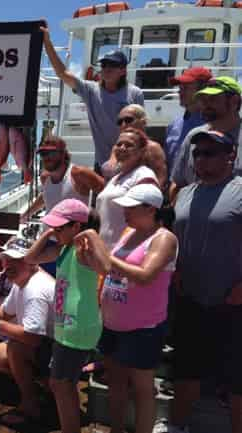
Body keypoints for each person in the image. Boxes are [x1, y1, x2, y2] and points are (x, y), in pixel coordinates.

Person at [156, 130, 242, 433]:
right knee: (186, 371)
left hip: (233, 304)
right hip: (190, 299)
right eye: (197, 153)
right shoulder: (185, 193)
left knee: (236, 380)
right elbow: (174, 240)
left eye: (210, 153)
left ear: (230, 156)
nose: (201, 159)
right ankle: (177, 426)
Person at [90, 184, 178, 433]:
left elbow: (145, 275)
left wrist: (106, 256)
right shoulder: (129, 232)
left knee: (142, 389)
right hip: (112, 324)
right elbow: (110, 269)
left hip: (143, 328)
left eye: (130, 207)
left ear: (150, 209)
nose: (124, 211)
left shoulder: (164, 238)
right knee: (116, 383)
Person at [23, 199, 109, 433]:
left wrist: (90, 235)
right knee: (63, 383)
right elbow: (30, 258)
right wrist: (50, 231)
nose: (56, 232)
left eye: (61, 228)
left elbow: (106, 268)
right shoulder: (64, 249)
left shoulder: (84, 251)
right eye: (55, 228)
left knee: (60, 383)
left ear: (77, 227)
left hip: (77, 328)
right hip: (66, 327)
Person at [0, 237, 56, 424]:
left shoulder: (36, 290)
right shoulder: (22, 282)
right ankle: (40, 387)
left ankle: (31, 405)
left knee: (14, 349)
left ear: (33, 262)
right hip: (46, 346)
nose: (8, 264)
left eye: (16, 260)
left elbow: (33, 338)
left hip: (58, 352)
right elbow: (5, 311)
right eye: (6, 259)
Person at [41, 24, 144, 172]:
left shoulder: (135, 94)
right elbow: (62, 73)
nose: (106, 69)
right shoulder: (91, 90)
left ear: (123, 71)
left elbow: (139, 133)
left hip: (129, 166)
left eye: (112, 65)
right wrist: (47, 42)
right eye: (104, 65)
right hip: (102, 165)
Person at [170, 76, 242, 201]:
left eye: (213, 99)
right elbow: (177, 184)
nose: (205, 104)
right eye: (203, 99)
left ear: (234, 101)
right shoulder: (193, 137)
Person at [96, 128, 158, 249]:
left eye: (129, 145)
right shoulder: (115, 179)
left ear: (142, 151)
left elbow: (147, 220)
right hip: (105, 252)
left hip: (125, 251)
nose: (122, 148)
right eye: (119, 144)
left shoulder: (144, 175)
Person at [20, 136, 105, 222]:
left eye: (52, 153)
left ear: (63, 154)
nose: (47, 157)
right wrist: (26, 215)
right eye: (43, 153)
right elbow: (47, 196)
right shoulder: (45, 178)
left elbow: (108, 192)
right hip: (47, 232)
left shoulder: (79, 174)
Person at [102, 104, 168, 189]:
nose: (123, 124)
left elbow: (161, 178)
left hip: (138, 196)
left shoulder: (152, 147)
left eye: (128, 120)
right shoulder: (117, 147)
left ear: (143, 122)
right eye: (120, 122)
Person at [164, 67, 212, 174]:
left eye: (185, 87)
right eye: (180, 87)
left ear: (203, 90)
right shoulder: (174, 125)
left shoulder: (215, 125)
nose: (180, 91)